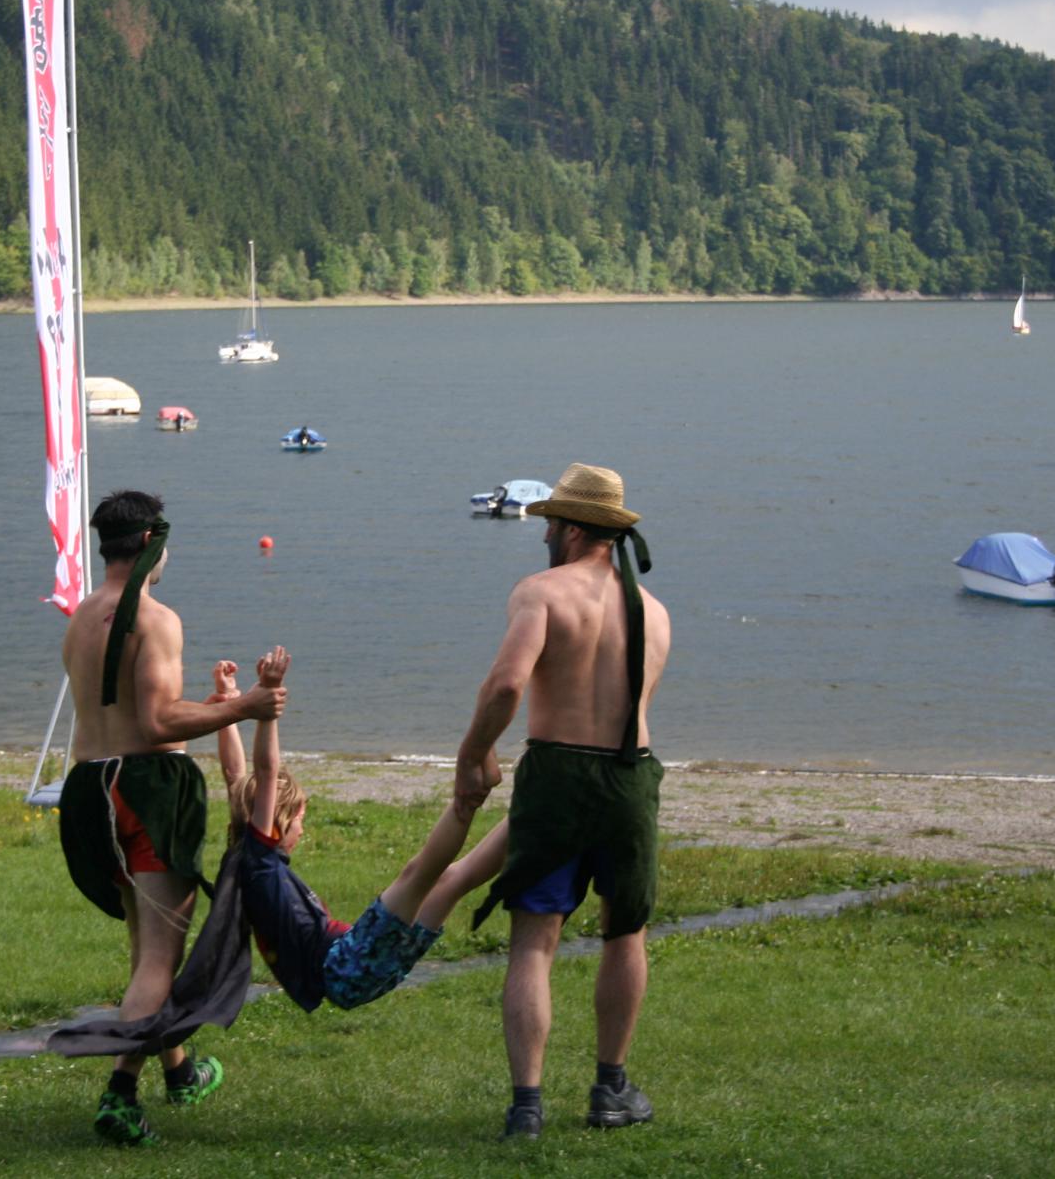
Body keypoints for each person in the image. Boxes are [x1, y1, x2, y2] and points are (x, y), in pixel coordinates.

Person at [56, 489, 288, 1146]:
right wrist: (246, 706)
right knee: (161, 954)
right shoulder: (154, 619)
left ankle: (180, 1071)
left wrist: (213, 707)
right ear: (152, 543)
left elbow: (126, 711)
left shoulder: (80, 617)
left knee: (146, 946)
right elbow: (158, 722)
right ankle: (121, 1094)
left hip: (89, 787)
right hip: (146, 790)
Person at [453, 462, 672, 1141]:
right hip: (630, 775)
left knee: (534, 938)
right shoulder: (655, 611)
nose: (544, 534)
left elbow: (505, 686)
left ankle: (527, 1105)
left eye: (550, 523)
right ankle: (610, 1087)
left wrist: (473, 754)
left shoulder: (541, 592)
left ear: (573, 529)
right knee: (624, 931)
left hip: (559, 773)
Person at [211, 659, 508, 1015]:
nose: (302, 830)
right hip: (345, 964)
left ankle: (529, 808)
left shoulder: (245, 854)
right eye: (299, 821)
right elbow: (264, 769)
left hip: (352, 970)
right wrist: (267, 706)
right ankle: (469, 798)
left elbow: (235, 775)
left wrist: (229, 703)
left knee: (452, 880)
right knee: (419, 873)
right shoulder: (259, 862)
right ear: (278, 820)